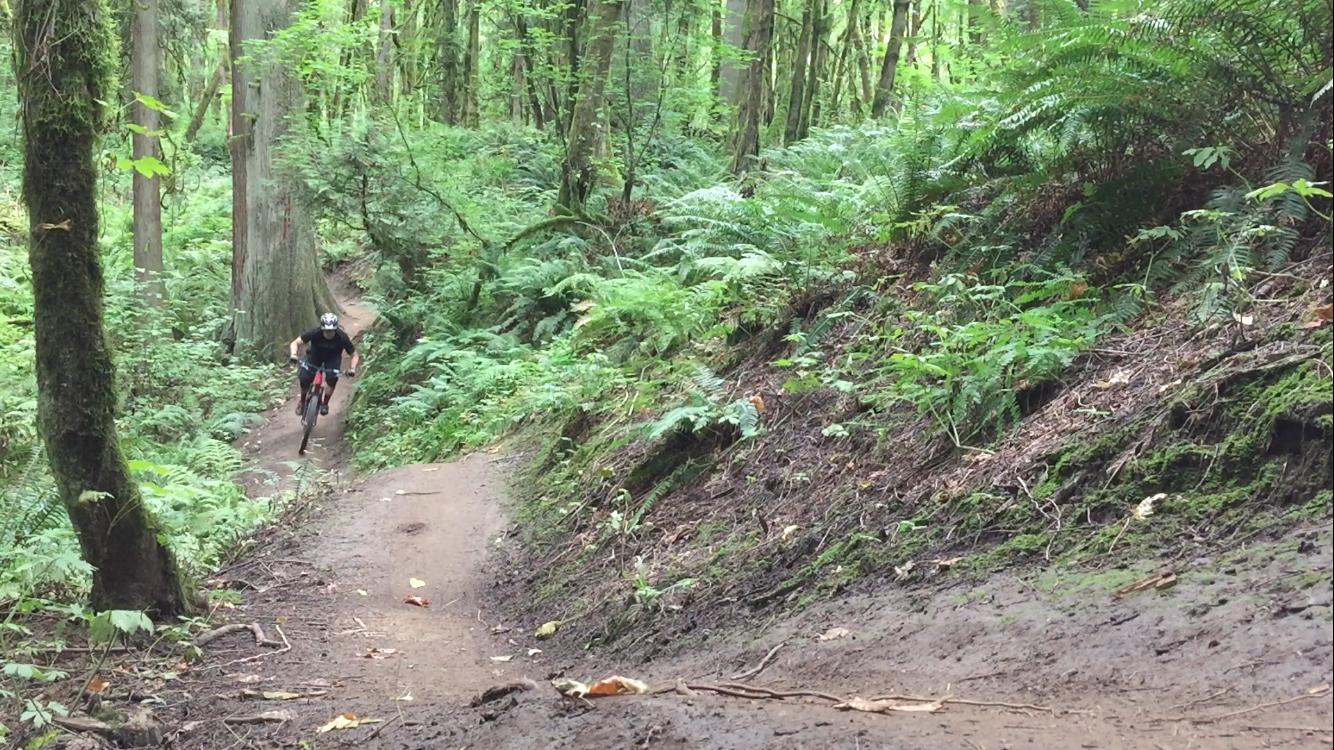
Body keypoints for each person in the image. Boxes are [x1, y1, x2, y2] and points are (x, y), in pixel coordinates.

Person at [288, 313, 360, 416]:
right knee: (304, 378)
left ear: (335, 329)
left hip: (332, 357)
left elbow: (354, 355)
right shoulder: (315, 333)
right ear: (322, 328)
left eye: (331, 331)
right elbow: (295, 343)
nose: (328, 333)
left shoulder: (342, 336)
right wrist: (293, 355)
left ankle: (325, 403)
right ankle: (303, 402)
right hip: (315, 355)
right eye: (326, 331)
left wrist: (352, 369)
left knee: (332, 378)